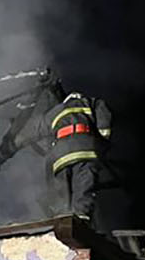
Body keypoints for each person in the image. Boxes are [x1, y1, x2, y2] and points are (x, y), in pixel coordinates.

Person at [48, 89, 113, 220]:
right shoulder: (90, 102)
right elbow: (104, 122)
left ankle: (61, 219)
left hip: (59, 156)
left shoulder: (55, 111)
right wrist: (102, 141)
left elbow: (40, 130)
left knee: (62, 191)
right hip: (83, 149)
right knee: (83, 184)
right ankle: (81, 217)